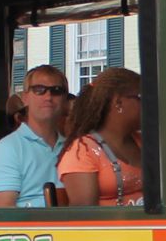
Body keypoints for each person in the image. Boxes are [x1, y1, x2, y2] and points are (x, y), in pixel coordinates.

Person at [59, 67, 144, 207]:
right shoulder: (81, 151)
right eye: (140, 97)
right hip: (113, 228)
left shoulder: (143, 142)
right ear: (118, 103)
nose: (149, 104)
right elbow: (85, 218)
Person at [0, 65, 68, 207]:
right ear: (25, 98)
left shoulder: (74, 147)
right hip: (30, 228)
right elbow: (3, 215)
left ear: (65, 99)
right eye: (39, 90)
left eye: (56, 91)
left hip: (74, 225)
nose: (48, 97)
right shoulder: (6, 149)